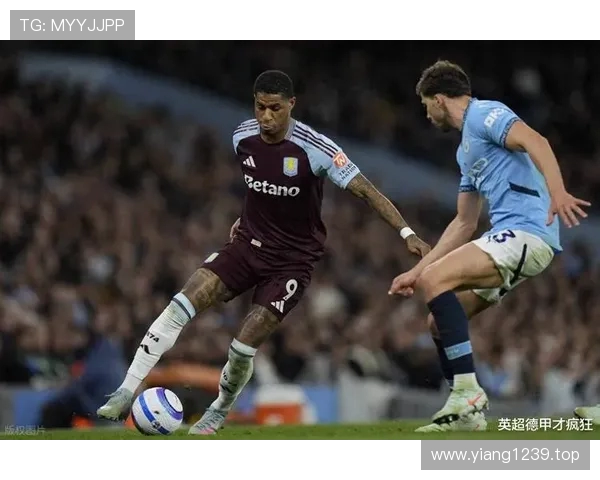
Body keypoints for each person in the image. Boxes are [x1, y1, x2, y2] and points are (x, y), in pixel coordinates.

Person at [97, 70, 430, 434]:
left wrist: (407, 233)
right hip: (246, 246)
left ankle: (219, 409)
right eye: (260, 107)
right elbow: (261, 188)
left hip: (291, 262)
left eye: (275, 108)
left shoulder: (316, 148)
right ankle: (125, 390)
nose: (266, 117)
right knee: (181, 303)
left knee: (242, 346)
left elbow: (366, 190)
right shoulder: (242, 136)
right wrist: (245, 219)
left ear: (291, 105)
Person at [388, 60, 590, 432]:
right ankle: (467, 415)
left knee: (437, 281)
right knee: (437, 322)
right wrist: (416, 272)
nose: (427, 114)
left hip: (527, 231)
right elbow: (464, 222)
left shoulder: (485, 114)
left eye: (426, 105)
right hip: (509, 237)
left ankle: (467, 393)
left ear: (439, 99)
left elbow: (536, 141)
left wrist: (558, 192)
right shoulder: (465, 151)